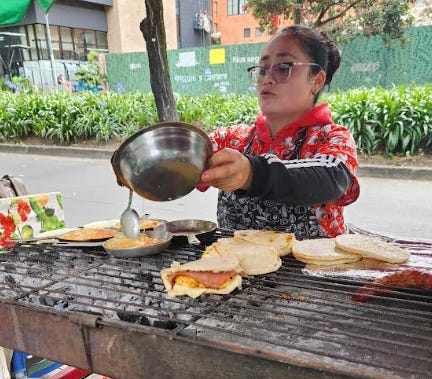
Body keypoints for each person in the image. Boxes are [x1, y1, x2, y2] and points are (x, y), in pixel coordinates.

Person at [199, 25, 360, 239]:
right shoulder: (233, 140)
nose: (267, 78)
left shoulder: (333, 139)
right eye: (263, 69)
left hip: (311, 270)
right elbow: (184, 155)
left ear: (316, 80)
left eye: (284, 67)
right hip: (235, 269)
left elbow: (330, 178)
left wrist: (251, 173)